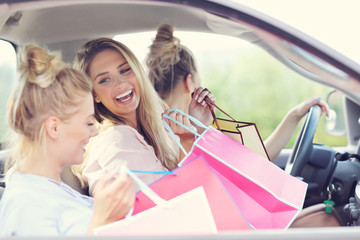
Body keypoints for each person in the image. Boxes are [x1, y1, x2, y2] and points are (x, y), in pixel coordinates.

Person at [0, 45, 135, 236]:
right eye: (88, 123)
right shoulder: (25, 203)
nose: (95, 132)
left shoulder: (54, 187)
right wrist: (101, 220)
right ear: (54, 128)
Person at [146, 24, 330, 162]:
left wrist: (295, 115)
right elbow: (258, 160)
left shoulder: (148, 133)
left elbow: (256, 159)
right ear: (190, 83)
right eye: (199, 82)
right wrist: (294, 115)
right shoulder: (196, 129)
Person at [73, 38, 214, 196]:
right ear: (94, 95)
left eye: (125, 70)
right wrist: (187, 141)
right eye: (105, 80)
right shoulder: (117, 139)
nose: (120, 83)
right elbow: (171, 201)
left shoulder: (153, 131)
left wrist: (198, 128)